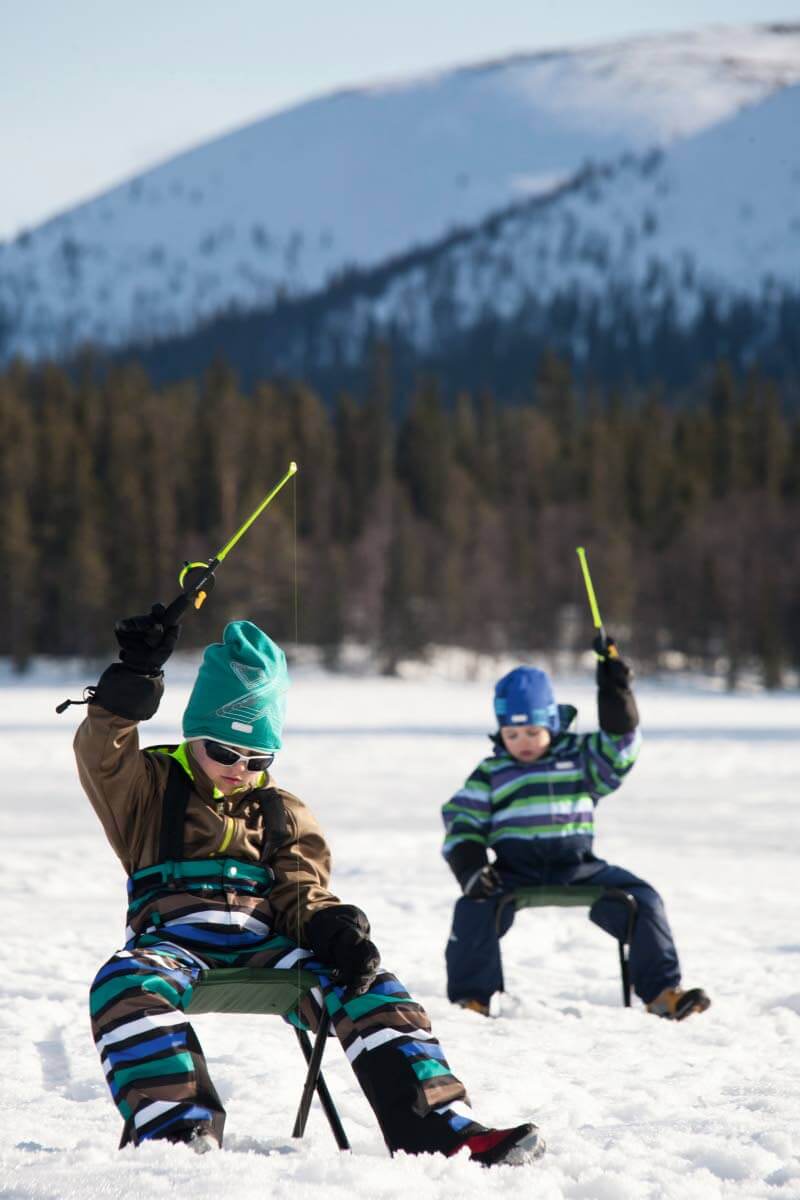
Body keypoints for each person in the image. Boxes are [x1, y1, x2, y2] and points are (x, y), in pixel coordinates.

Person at [74, 605, 544, 1165]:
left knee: (373, 987)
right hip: (174, 943)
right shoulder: (149, 788)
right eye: (223, 751)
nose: (238, 768)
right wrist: (134, 679)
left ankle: (441, 1130)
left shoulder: (282, 810)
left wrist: (331, 927)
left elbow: (302, 890)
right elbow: (103, 751)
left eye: (257, 758)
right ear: (194, 734)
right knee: (123, 984)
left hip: (266, 944)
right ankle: (177, 1131)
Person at [441, 638, 710, 1021]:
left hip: (578, 866)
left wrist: (615, 692)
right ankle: (472, 1000)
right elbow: (461, 820)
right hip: (513, 871)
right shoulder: (492, 773)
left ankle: (663, 993)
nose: (523, 743)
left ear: (551, 722)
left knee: (644, 899)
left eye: (533, 732)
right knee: (473, 908)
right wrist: (469, 867)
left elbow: (620, 747)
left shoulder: (580, 758)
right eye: (512, 735)